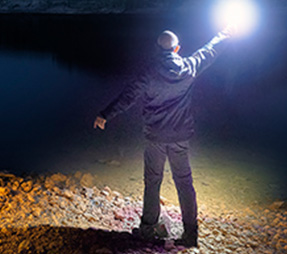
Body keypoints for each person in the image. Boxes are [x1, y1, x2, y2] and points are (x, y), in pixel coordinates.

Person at [93, 28, 228, 247]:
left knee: (153, 182)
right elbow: (209, 51)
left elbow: (127, 98)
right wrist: (224, 34)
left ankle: (148, 229)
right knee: (185, 184)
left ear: (157, 50)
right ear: (177, 49)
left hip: (155, 137)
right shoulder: (188, 67)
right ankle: (190, 234)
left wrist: (105, 114)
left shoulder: (148, 73)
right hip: (180, 137)